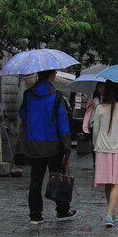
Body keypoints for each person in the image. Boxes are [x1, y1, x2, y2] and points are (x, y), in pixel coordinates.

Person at [18, 69, 77, 224]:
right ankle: (62, 210)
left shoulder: (29, 95)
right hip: (53, 145)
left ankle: (35, 214)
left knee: (35, 179)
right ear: (52, 76)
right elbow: (62, 124)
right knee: (57, 176)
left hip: (34, 143)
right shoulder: (56, 96)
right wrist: (67, 145)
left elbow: (22, 114)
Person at [93, 81, 118, 227]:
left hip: (102, 148)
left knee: (107, 181)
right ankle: (110, 214)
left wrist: (95, 146)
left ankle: (111, 210)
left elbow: (96, 131)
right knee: (117, 182)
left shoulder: (99, 108)